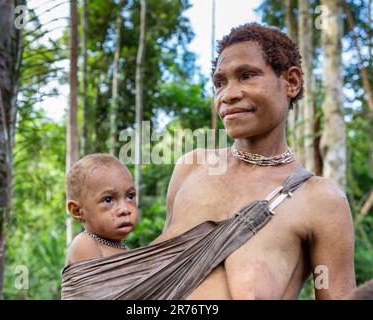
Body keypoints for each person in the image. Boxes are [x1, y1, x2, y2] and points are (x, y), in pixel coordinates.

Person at [151, 23, 356, 299]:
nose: (228, 95)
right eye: (219, 83)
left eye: (247, 76)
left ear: (291, 82)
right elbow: (162, 278)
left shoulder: (319, 200)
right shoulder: (191, 168)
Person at [64, 153, 137, 265]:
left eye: (130, 196)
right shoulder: (85, 243)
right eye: (108, 200)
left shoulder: (122, 248)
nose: (125, 209)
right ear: (77, 211)